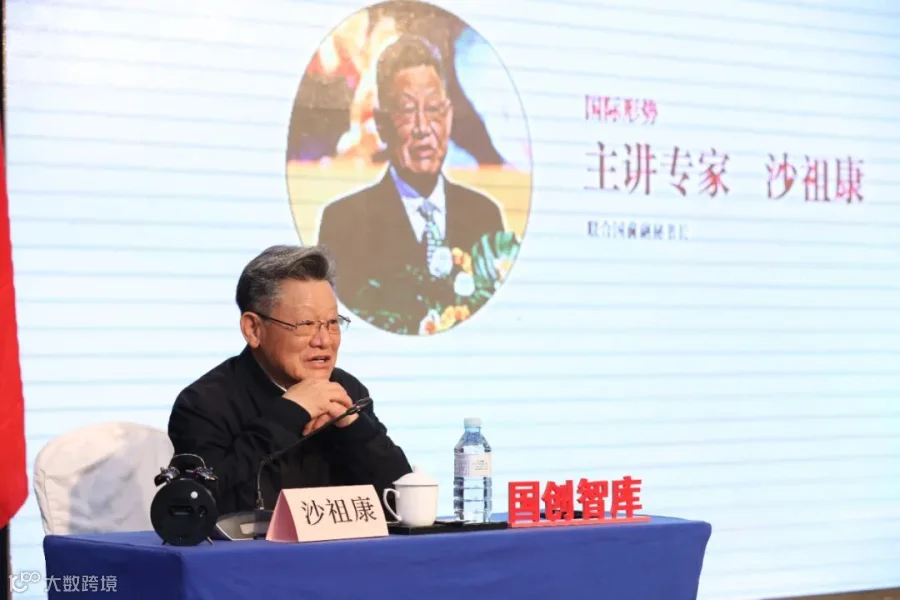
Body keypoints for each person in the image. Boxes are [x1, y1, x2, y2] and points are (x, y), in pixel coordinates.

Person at [167, 245, 412, 515]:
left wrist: (354, 428)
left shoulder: (347, 391)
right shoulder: (204, 404)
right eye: (305, 325)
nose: (324, 341)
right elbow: (198, 503)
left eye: (332, 323)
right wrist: (288, 415)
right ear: (253, 329)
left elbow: (403, 503)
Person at [317, 34, 506, 329]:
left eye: (433, 109)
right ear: (382, 123)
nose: (423, 128)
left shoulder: (485, 216)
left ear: (449, 116)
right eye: (407, 110)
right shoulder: (343, 222)